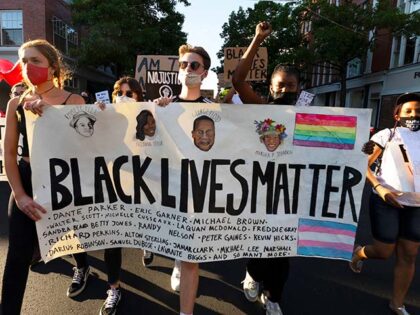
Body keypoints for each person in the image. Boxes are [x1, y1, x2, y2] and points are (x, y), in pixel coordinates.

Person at [1, 39, 87, 315]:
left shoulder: (73, 101)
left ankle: (82, 267)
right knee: (17, 257)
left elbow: (85, 148)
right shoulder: (17, 103)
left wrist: (52, 116)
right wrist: (21, 195)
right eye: (24, 60)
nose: (28, 66)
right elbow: (9, 154)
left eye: (35, 60)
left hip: (63, 181)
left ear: (52, 67)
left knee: (76, 239)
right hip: (27, 179)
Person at [232, 21, 301, 315]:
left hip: (291, 193)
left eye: (290, 85)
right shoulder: (259, 107)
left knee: (283, 254)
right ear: (271, 87)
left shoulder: (308, 117)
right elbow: (237, 80)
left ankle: (273, 297)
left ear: (299, 88)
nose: (285, 89)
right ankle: (253, 274)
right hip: (259, 190)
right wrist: (257, 39)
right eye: (280, 85)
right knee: (259, 243)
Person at [350, 93, 420, 315]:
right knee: (383, 251)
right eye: (409, 111)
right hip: (386, 201)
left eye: (418, 111)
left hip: (417, 207)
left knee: (409, 253)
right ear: (397, 114)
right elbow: (361, 162)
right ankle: (360, 252)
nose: (414, 115)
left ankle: (397, 303)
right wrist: (380, 189)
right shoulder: (385, 135)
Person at [155, 43, 211, 315]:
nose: (188, 69)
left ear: (205, 73)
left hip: (200, 188)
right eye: (184, 65)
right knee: (178, 241)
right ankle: (177, 259)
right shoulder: (163, 107)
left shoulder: (215, 109)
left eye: (194, 65)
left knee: (193, 256)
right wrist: (155, 113)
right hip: (169, 187)